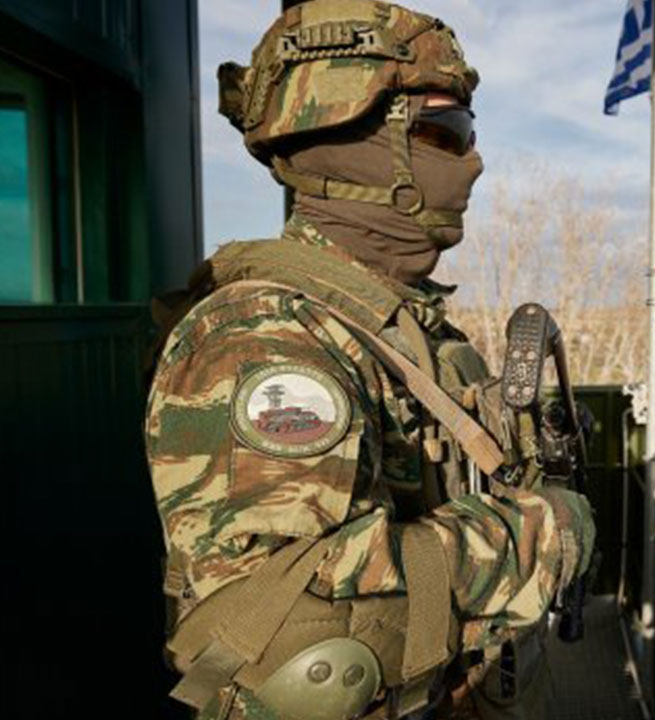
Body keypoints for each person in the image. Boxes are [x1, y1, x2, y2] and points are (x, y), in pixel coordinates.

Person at [145, 1, 594, 718]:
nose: (474, 161)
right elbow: (299, 645)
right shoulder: (266, 336)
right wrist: (542, 537)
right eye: (447, 132)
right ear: (351, 142)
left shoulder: (386, 320)